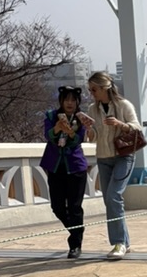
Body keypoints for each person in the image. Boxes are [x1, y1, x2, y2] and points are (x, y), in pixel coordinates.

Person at [86, 71, 141, 259]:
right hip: (103, 157)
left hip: (123, 156)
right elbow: (93, 137)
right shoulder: (92, 109)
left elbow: (137, 126)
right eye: (90, 90)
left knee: (113, 196)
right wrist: (89, 129)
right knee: (109, 200)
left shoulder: (123, 105)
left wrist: (121, 124)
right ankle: (124, 242)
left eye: (94, 89)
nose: (92, 93)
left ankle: (118, 243)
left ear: (104, 88)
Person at [40, 86, 90, 258]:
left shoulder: (82, 118)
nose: (70, 103)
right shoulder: (50, 116)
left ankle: (75, 244)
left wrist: (69, 131)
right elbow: (48, 136)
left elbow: (78, 139)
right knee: (58, 207)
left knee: (75, 207)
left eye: (73, 100)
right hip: (55, 166)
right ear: (61, 101)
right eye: (66, 100)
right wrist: (57, 128)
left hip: (75, 166)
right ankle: (78, 229)